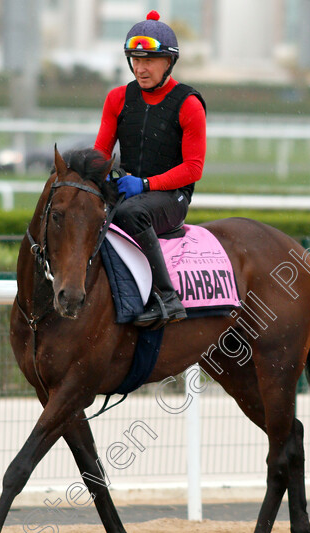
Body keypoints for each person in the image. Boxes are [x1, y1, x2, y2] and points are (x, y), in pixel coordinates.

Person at [94, 10, 207, 329]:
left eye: (149, 60)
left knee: (130, 214)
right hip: (130, 190)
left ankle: (168, 297)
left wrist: (145, 184)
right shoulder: (117, 98)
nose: (140, 68)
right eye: (135, 60)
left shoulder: (189, 104)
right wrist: (92, 176)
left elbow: (193, 169)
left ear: (168, 62)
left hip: (172, 198)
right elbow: (101, 151)